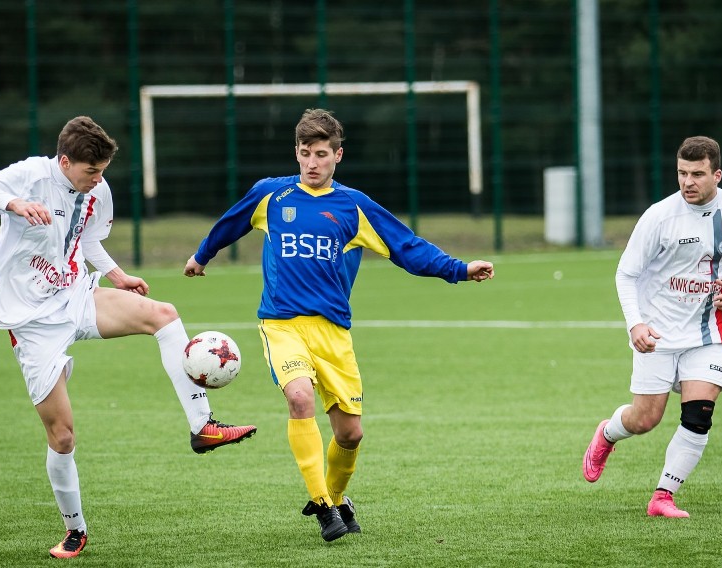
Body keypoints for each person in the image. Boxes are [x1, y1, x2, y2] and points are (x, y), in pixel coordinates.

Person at [184, 108, 495, 541]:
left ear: (338, 156)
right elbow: (229, 223)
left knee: (350, 434)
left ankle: (335, 496)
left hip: (333, 332)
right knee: (299, 399)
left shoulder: (353, 206)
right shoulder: (271, 196)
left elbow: (406, 246)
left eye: (322, 154)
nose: (313, 162)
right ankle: (326, 509)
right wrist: (202, 255)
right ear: (296, 152)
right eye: (306, 153)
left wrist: (459, 269)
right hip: (282, 324)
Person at [0, 116, 257, 559]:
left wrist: (118, 276)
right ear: (64, 161)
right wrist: (15, 204)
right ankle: (75, 530)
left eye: (102, 171)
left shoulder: (97, 189)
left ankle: (203, 427)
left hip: (74, 295)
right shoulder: (31, 175)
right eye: (90, 172)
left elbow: (88, 240)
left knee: (164, 315)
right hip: (29, 320)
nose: (98, 179)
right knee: (62, 437)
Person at [582, 136, 722, 517]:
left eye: (698, 174)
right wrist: (635, 325)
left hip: (709, 333)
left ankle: (663, 496)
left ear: (717, 174)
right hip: (659, 334)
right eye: (682, 173)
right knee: (645, 419)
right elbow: (626, 273)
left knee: (699, 414)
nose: (688, 181)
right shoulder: (659, 216)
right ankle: (607, 433)